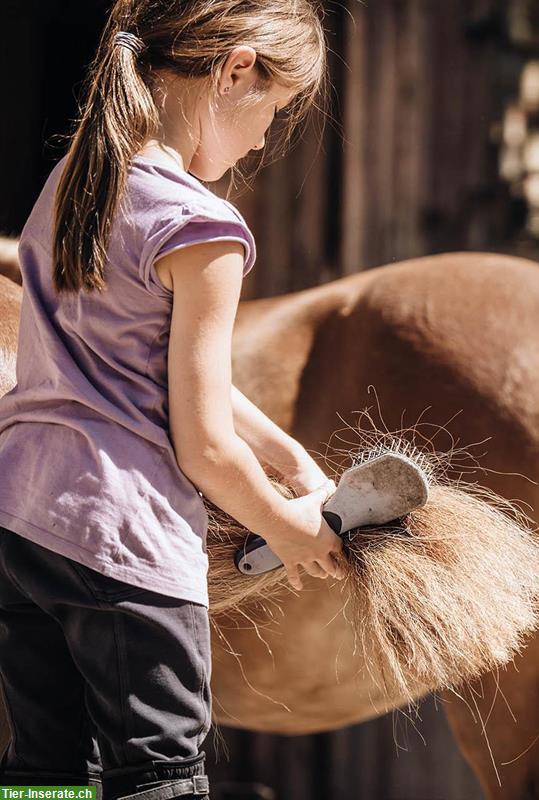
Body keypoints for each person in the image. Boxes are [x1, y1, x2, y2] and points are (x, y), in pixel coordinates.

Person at [0, 2, 346, 797]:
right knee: (158, 777)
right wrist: (286, 528)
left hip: (21, 522)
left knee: (46, 772)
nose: (265, 138)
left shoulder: (78, 178)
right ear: (236, 71)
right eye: (275, 109)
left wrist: (287, 454)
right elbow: (204, 448)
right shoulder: (204, 228)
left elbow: (139, 359)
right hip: (124, 542)